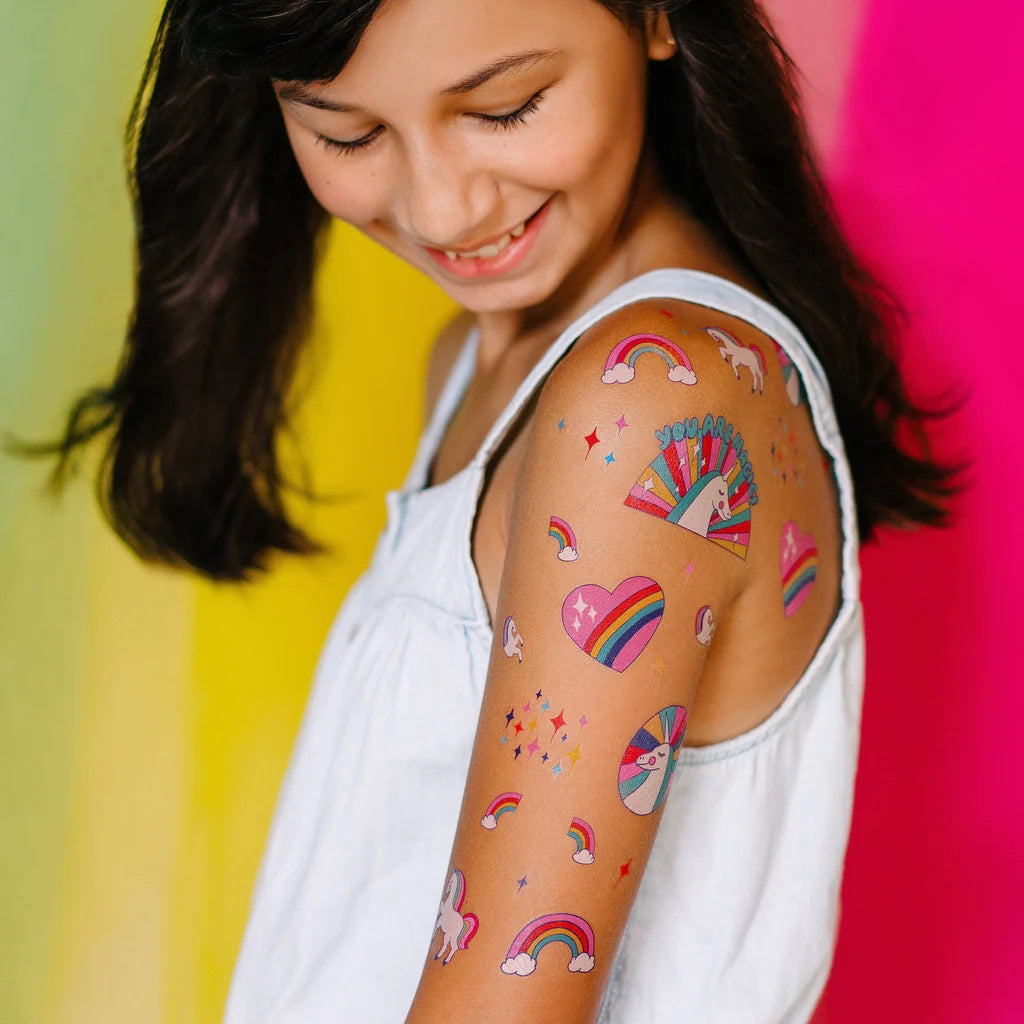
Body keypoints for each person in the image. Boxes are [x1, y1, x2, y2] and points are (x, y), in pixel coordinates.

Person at [35, 0, 959, 1020]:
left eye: (506, 108)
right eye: (346, 131)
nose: (438, 209)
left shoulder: (645, 407)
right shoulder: (486, 362)